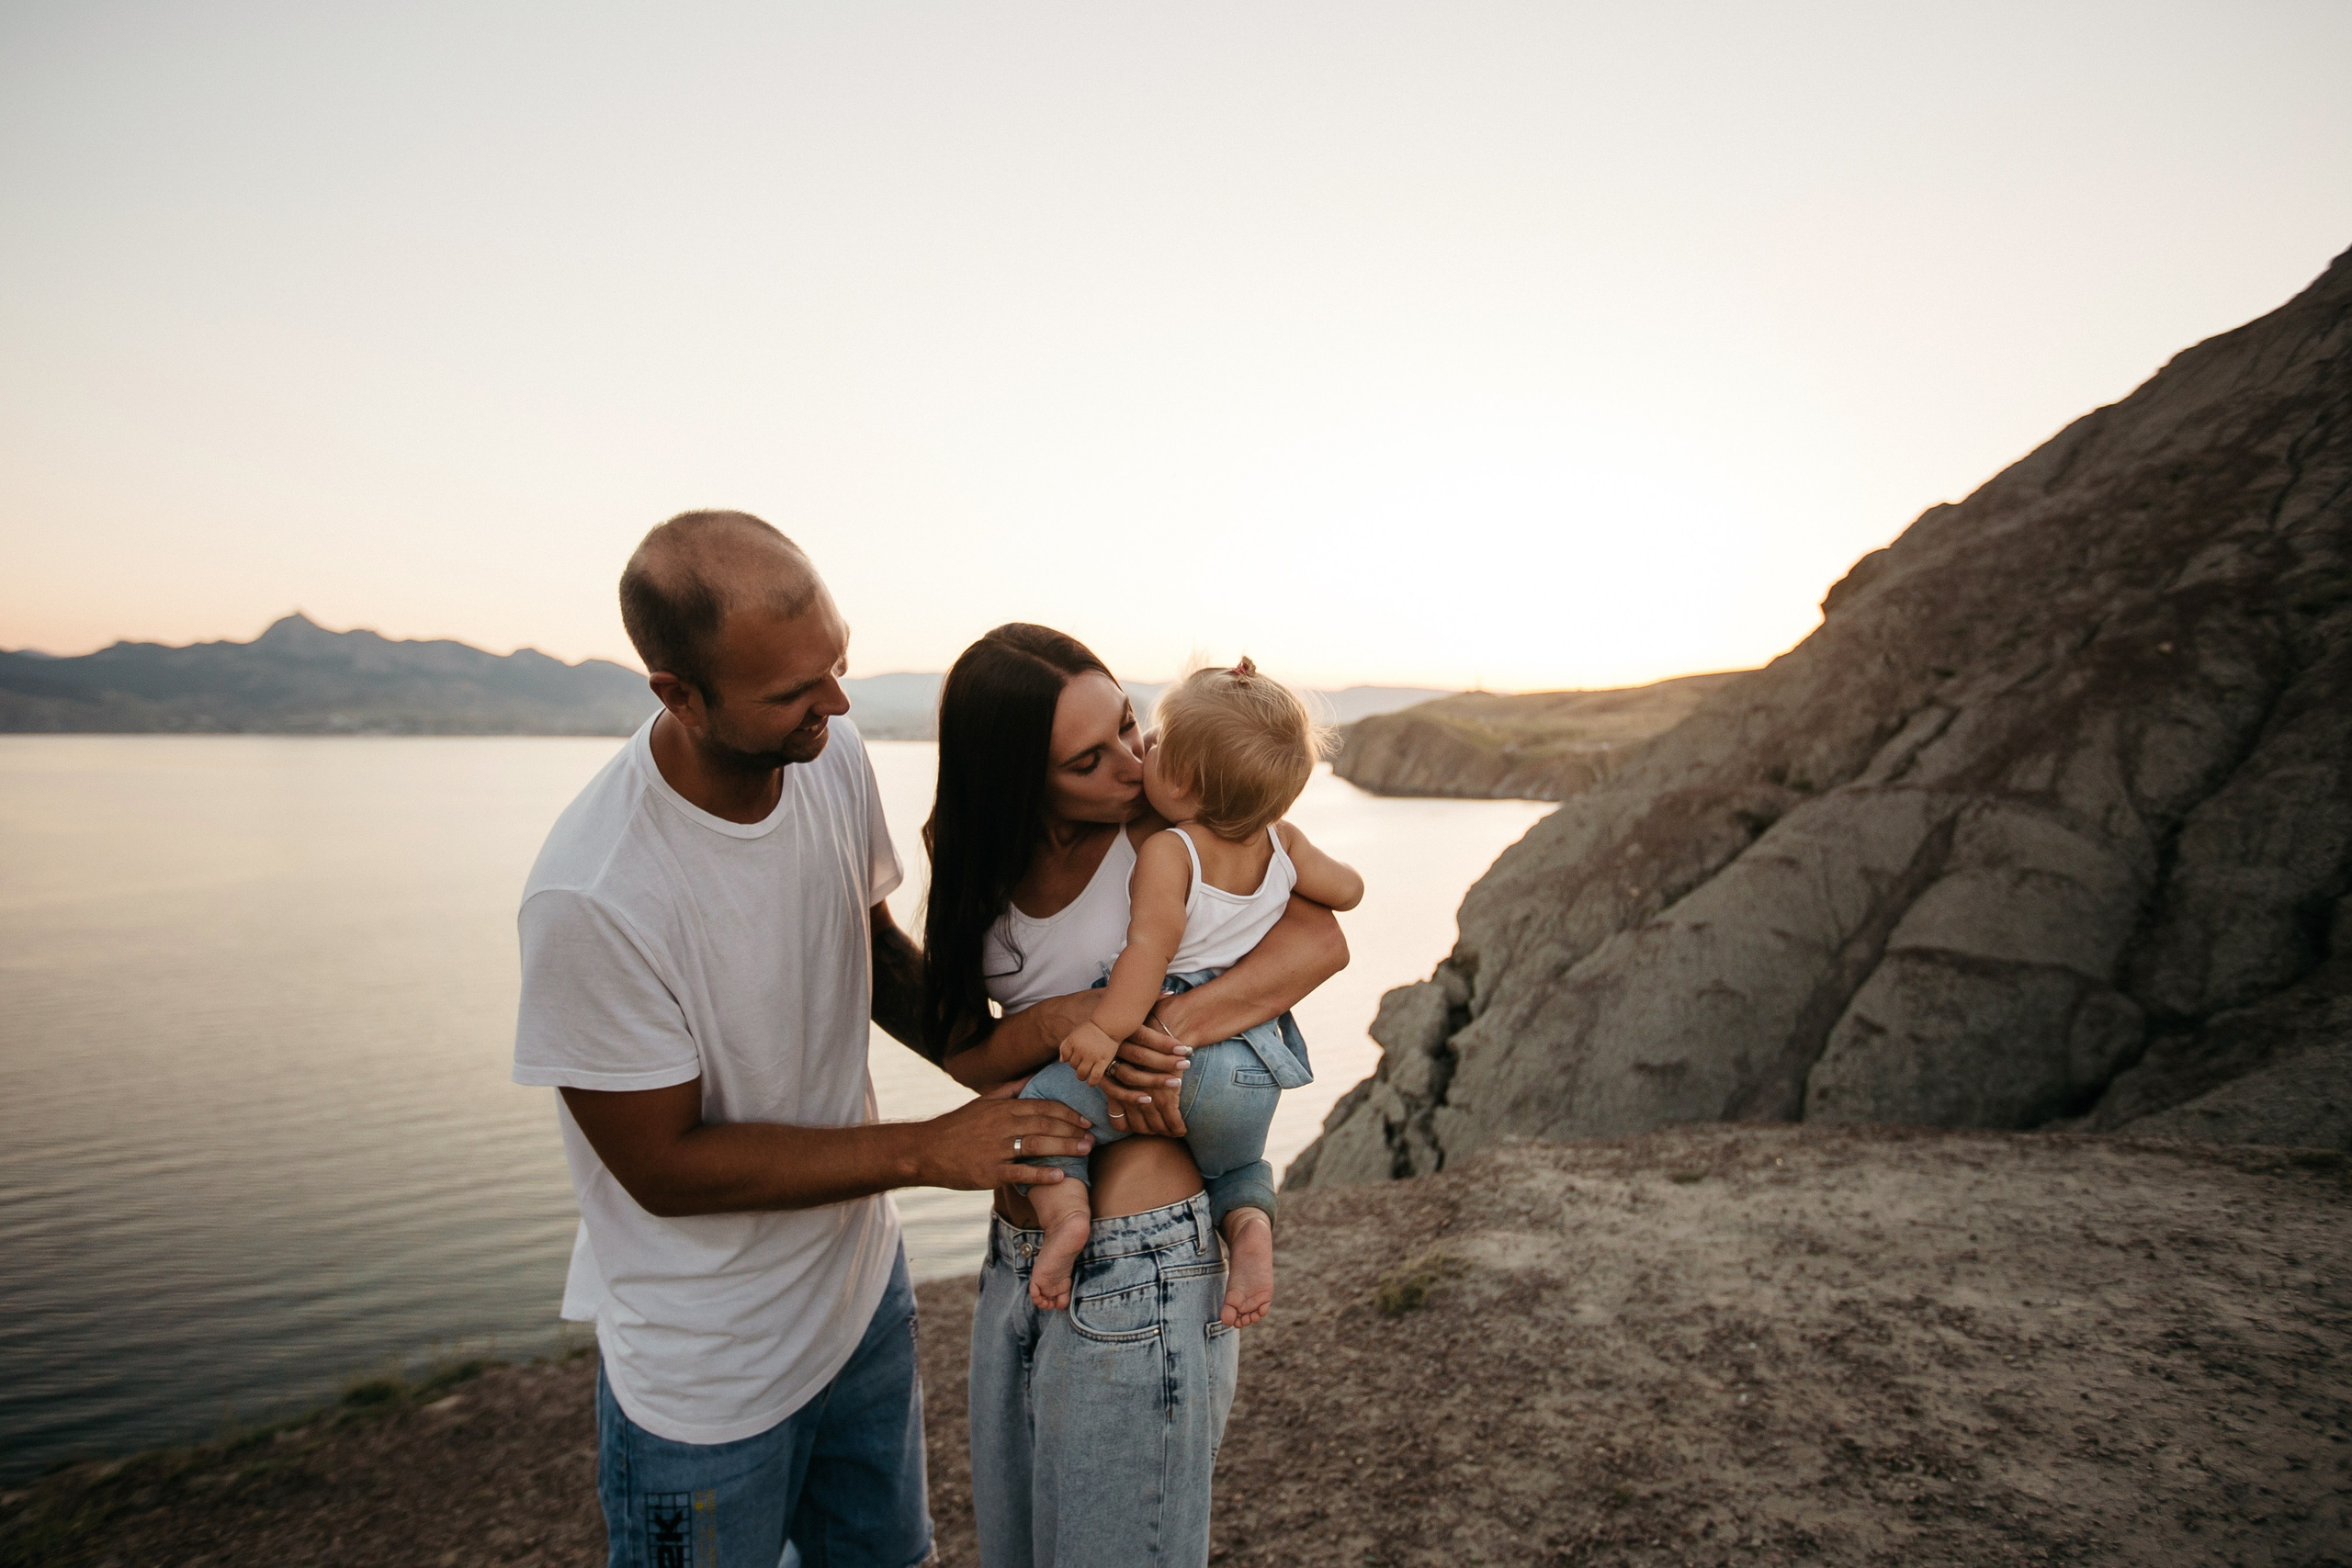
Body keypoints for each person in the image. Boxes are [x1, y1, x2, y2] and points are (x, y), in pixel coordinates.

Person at [511, 513, 1094, 1568]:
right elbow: (663, 1166)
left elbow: (866, 945)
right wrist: (933, 1149)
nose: (835, 703)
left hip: (859, 1304)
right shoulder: (592, 896)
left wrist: (1004, 1048)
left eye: (837, 663)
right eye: (793, 692)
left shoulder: (827, 752)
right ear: (678, 696)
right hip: (709, 1381)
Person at [923, 624, 1351, 1568]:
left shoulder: (1168, 822)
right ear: (1016, 780)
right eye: (1091, 757)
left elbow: (1321, 940)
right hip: (1021, 1241)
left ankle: (1245, 1218)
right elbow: (967, 1052)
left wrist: (1157, 1031)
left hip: (1144, 1241)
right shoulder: (972, 860)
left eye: (1127, 723)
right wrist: (1067, 1021)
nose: (1131, 759)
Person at [1016, 658, 1363, 1321]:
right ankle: (1250, 1230)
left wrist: (1105, 1029)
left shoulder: (1171, 851)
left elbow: (1150, 951)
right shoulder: (1283, 843)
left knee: (1042, 1116)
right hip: (1250, 1067)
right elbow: (1349, 890)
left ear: (1179, 777)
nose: (1143, 746)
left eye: (1156, 738)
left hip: (1174, 1051)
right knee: (1235, 1169)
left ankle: (1065, 1219)